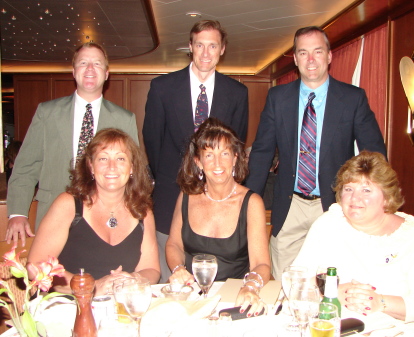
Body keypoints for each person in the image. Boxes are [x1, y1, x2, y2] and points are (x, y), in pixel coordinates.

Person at [246, 26, 387, 280]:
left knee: (332, 281)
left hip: (333, 205)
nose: (310, 60)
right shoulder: (278, 98)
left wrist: (378, 202)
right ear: (296, 59)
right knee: (282, 285)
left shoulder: (352, 98)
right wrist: (249, 202)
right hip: (290, 205)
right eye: (303, 53)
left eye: (317, 52)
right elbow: (261, 152)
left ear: (329, 56)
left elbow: (376, 156)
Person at [292, 151, 414, 337]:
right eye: (348, 189)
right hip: (333, 328)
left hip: (395, 331)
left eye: (366, 190)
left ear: (387, 197)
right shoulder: (327, 224)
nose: (354, 198)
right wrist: (329, 293)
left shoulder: (413, 239)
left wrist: (380, 302)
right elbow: (297, 278)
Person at [143, 20, 248, 283]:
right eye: (199, 45)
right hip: (170, 196)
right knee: (171, 276)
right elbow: (152, 141)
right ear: (190, 47)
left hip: (219, 202)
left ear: (222, 49)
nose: (205, 53)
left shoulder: (237, 93)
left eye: (212, 46)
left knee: (215, 277)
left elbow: (235, 146)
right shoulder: (162, 88)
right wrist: (175, 176)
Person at [6, 42, 139, 248]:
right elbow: (26, 166)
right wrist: (17, 213)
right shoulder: (47, 113)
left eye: (97, 63)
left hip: (103, 219)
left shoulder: (124, 119)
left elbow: (132, 173)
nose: (89, 68)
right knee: (50, 276)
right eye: (83, 63)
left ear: (106, 73)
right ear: (73, 71)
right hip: (53, 213)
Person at [27, 128, 160, 295]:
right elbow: (35, 266)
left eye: (120, 159)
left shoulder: (143, 210)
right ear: (91, 166)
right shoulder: (68, 204)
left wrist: (132, 280)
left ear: (132, 167)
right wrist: (92, 287)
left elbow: (151, 269)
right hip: (69, 310)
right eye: (103, 158)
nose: (112, 167)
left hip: (121, 310)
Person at [166, 118, 270, 316]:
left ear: (235, 158)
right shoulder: (186, 196)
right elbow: (174, 245)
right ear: (198, 162)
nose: (217, 163)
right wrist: (178, 268)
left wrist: (251, 286)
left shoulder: (252, 203)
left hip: (234, 299)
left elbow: (261, 264)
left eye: (224, 154)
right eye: (209, 155)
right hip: (192, 298)